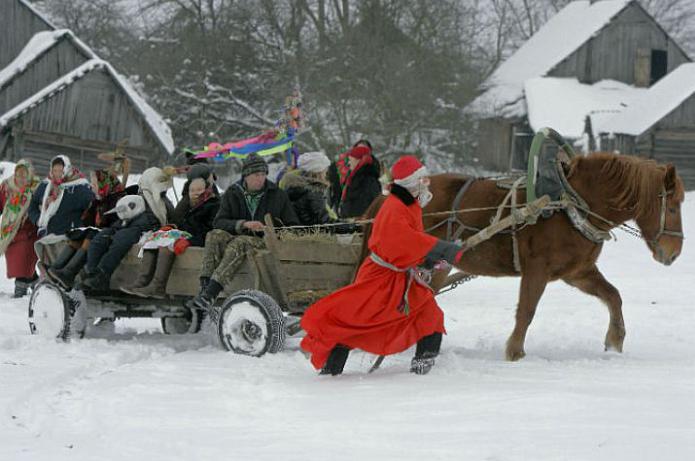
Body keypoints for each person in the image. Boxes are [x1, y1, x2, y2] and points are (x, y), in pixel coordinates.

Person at [300, 155, 465, 376]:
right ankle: (331, 372)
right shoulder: (394, 208)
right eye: (422, 180)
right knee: (353, 324)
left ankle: (422, 370)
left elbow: (408, 245)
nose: (426, 185)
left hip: (398, 275)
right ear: (411, 183)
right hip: (380, 279)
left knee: (430, 315)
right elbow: (406, 241)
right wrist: (443, 249)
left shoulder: (409, 204)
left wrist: (429, 259)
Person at [186, 153, 299, 311]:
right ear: (246, 176)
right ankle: (204, 289)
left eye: (263, 174)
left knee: (241, 242)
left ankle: (211, 292)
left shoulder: (277, 195)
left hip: (264, 242)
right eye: (256, 175)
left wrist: (271, 231)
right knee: (214, 235)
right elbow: (219, 222)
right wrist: (243, 224)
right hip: (238, 236)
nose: (260, 178)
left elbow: (292, 225)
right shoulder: (233, 192)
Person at [121, 175, 220, 298]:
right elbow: (185, 223)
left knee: (166, 244)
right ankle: (142, 281)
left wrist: (189, 240)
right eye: (192, 190)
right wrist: (172, 227)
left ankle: (158, 286)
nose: (195, 193)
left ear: (207, 190)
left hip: (196, 239)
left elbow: (210, 231)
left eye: (199, 190)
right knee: (153, 239)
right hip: (185, 234)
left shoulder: (213, 206)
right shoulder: (191, 205)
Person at [79, 167, 174, 291]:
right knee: (101, 238)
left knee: (121, 239)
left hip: (143, 230)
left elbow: (164, 219)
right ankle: (91, 273)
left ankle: (102, 274)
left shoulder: (161, 202)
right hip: (126, 225)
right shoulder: (139, 196)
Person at [47, 169, 128, 290]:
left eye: (95, 184)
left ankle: (69, 273)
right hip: (98, 231)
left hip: (111, 234)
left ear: (104, 185)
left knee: (90, 236)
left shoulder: (119, 200)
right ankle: (58, 267)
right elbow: (89, 218)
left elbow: (112, 222)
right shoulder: (100, 199)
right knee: (79, 235)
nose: (92, 186)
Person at [28, 155, 94, 268]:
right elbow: (33, 205)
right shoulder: (45, 185)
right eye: (55, 170)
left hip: (67, 237)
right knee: (48, 265)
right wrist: (38, 220)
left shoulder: (79, 186)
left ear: (67, 169)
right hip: (47, 235)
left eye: (60, 170)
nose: (57, 173)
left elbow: (91, 206)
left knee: (62, 266)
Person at [0, 160, 41, 297]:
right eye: (18, 175)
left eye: (24, 175)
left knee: (23, 255)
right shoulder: (7, 187)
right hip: (10, 231)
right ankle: (34, 280)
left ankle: (20, 287)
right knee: (18, 259)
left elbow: (40, 208)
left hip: (29, 230)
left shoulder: (36, 188)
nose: (21, 178)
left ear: (29, 175)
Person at [280, 151, 335, 226]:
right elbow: (325, 222)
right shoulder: (313, 191)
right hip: (311, 235)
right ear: (318, 172)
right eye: (325, 171)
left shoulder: (294, 187)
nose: (325, 175)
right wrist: (349, 224)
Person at [332, 140, 381, 219]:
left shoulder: (368, 180)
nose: (349, 163)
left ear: (358, 160)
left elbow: (369, 206)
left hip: (361, 224)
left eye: (351, 160)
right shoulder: (354, 177)